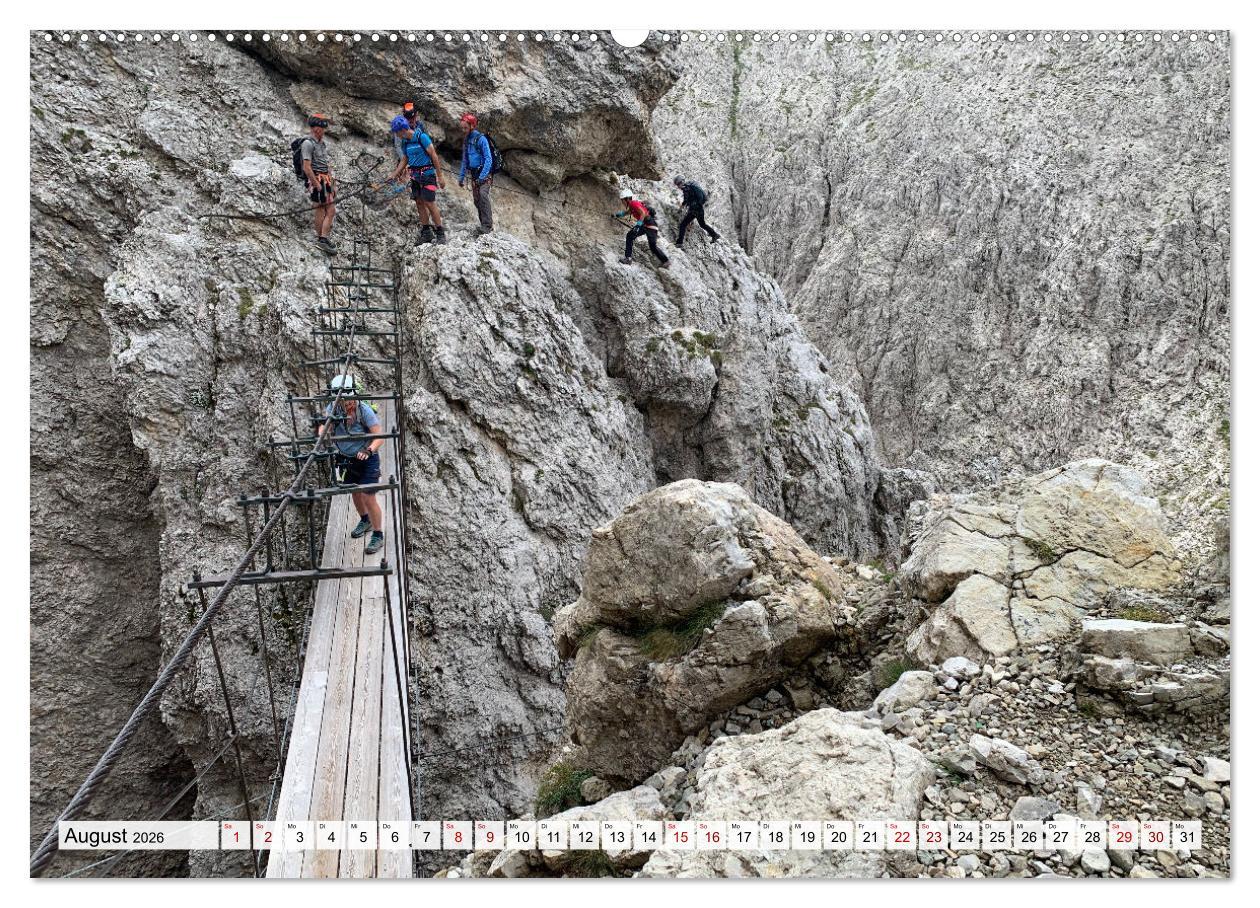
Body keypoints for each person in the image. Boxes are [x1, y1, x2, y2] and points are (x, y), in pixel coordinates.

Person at [318, 375, 386, 555]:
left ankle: (378, 534)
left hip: (367, 457)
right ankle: (365, 520)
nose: (349, 404)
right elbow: (324, 428)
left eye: (350, 400)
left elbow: (379, 436)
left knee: (368, 495)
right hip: (348, 458)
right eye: (344, 401)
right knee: (355, 491)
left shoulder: (364, 411)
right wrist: (323, 434)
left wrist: (369, 450)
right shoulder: (333, 409)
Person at [389, 103, 448, 245]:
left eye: (396, 132)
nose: (396, 135)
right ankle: (426, 232)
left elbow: (434, 155)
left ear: (402, 130)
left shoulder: (422, 137)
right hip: (415, 176)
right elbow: (405, 158)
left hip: (427, 174)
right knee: (419, 203)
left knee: (430, 202)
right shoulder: (405, 142)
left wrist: (440, 176)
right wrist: (395, 174)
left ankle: (440, 233)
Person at [300, 114, 337, 254]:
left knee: (326, 209)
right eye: (322, 128)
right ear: (316, 129)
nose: (324, 131)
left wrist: (332, 184)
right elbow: (307, 167)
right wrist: (317, 184)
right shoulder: (308, 143)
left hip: (325, 179)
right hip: (317, 180)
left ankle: (323, 237)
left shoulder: (321, 144)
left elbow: (325, 164)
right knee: (324, 209)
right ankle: (322, 239)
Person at [612, 189, 669, 268]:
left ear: (627, 199)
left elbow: (643, 213)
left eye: (622, 200)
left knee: (652, 246)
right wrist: (617, 215)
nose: (622, 202)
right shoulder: (632, 206)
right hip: (646, 225)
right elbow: (626, 213)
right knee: (630, 236)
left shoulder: (633, 203)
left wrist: (638, 226)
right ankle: (628, 258)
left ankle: (666, 261)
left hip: (650, 224)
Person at [457, 113, 494, 234]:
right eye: (461, 128)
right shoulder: (466, 141)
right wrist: (461, 177)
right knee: (477, 199)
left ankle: (488, 226)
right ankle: (483, 225)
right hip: (474, 175)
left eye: (465, 128)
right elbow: (465, 160)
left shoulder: (481, 139)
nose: (463, 130)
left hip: (485, 173)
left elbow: (488, 158)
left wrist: (482, 176)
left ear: (472, 126)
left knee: (483, 195)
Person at [673, 175, 720, 245]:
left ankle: (679, 243)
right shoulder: (687, 188)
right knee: (702, 224)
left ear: (681, 182)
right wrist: (682, 207)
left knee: (683, 225)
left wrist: (690, 207)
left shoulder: (689, 188)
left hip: (695, 210)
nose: (677, 186)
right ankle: (715, 235)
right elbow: (686, 200)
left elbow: (693, 199)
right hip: (698, 209)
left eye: (678, 184)